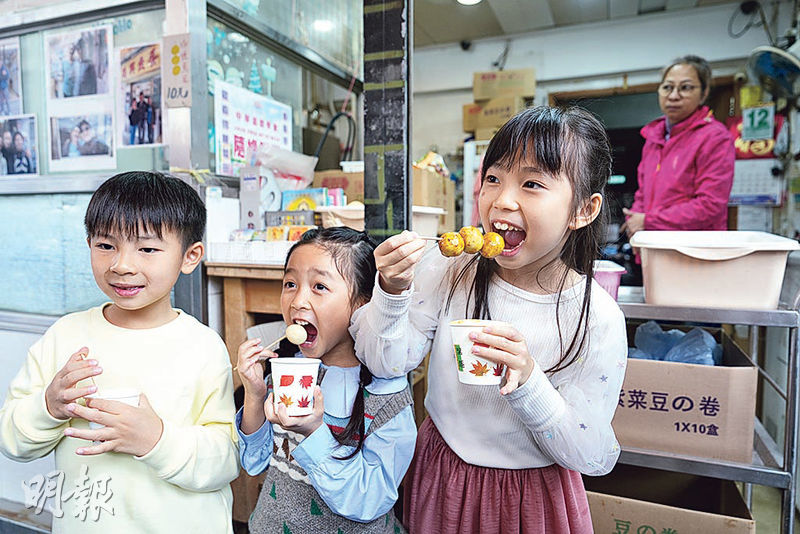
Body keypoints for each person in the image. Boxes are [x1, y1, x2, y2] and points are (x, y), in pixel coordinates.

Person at [351, 106, 628, 533]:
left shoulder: (597, 317)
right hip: (442, 476)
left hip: (531, 497)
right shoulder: (452, 269)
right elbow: (386, 362)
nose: (501, 200)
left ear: (583, 211)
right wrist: (390, 291)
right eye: (493, 178)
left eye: (532, 184)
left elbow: (590, 454)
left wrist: (531, 381)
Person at [0, 171, 240, 533]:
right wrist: (49, 406)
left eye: (147, 249)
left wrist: (156, 439)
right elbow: (13, 441)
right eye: (106, 245)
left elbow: (226, 459)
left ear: (190, 256)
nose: (122, 265)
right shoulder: (65, 336)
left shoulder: (203, 346)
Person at [236, 227, 416, 534]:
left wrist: (314, 432)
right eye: (290, 283)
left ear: (363, 304)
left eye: (319, 286)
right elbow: (255, 463)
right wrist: (254, 395)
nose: (298, 301)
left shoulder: (387, 395)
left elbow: (369, 500)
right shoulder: (288, 371)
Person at [622, 55, 735, 237]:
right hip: (654, 245)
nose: (674, 96)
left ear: (704, 93)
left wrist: (647, 221)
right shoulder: (654, 137)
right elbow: (642, 194)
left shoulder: (715, 137)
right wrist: (634, 219)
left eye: (686, 88)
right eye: (667, 87)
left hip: (694, 251)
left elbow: (710, 204)